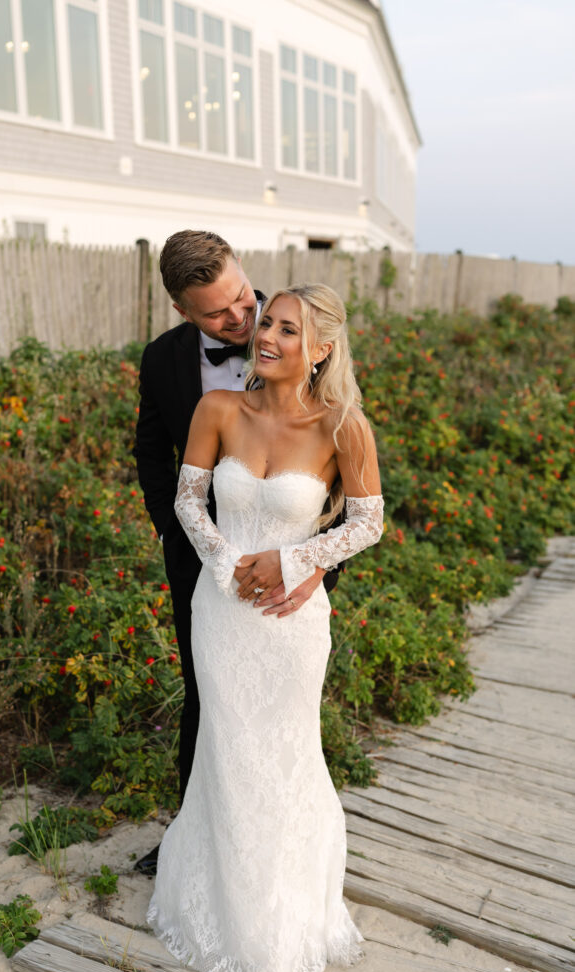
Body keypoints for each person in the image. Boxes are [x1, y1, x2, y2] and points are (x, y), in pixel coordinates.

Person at [146, 283, 383, 972]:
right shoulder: (217, 408)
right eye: (267, 323)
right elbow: (188, 499)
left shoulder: (344, 426)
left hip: (291, 620)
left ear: (321, 349)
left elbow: (366, 523)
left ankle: (287, 911)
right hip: (220, 610)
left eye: (287, 329)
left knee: (285, 752)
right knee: (227, 748)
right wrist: (225, 564)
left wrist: (296, 560)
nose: (267, 337)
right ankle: (220, 904)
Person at [134, 232, 341, 875]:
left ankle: (281, 856)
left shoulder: (294, 326)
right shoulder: (163, 360)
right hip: (202, 567)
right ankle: (197, 843)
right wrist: (178, 538)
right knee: (207, 700)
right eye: (219, 313)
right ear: (183, 314)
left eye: (242, 297)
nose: (244, 321)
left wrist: (316, 568)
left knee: (284, 712)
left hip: (294, 569)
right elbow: (151, 453)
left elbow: (340, 479)